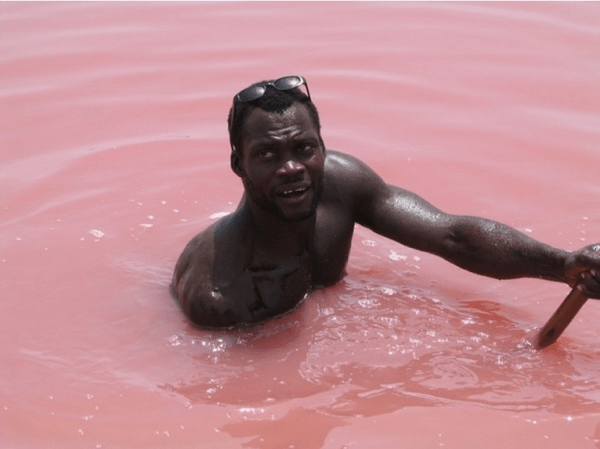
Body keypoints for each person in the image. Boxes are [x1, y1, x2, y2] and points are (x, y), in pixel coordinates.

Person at [171, 75, 600, 328]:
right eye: (267, 155)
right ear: (237, 164)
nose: (291, 168)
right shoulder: (218, 292)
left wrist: (562, 265)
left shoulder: (341, 181)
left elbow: (452, 237)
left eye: (304, 148)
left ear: (322, 147)